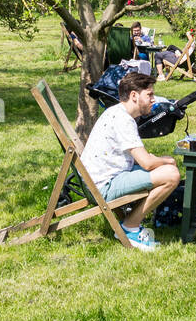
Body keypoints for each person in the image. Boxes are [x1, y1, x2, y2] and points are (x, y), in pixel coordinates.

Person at [78, 71, 182, 252]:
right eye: (149, 94)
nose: (153, 99)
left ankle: (130, 221)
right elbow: (146, 163)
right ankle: (130, 227)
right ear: (134, 96)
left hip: (95, 180)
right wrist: (167, 160)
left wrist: (156, 160)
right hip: (102, 187)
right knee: (171, 174)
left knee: (163, 168)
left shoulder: (116, 112)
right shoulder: (123, 120)